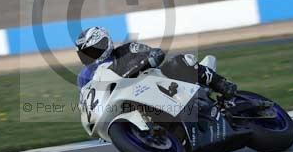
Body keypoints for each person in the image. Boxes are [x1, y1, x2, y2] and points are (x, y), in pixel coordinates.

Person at [75, 26, 238, 101]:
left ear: (105, 43)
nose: (90, 56)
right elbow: (87, 101)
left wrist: (147, 59)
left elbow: (154, 53)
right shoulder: (85, 76)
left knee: (182, 60)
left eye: (93, 50)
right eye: (86, 53)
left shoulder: (127, 49)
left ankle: (222, 84)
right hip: (127, 100)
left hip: (157, 82)